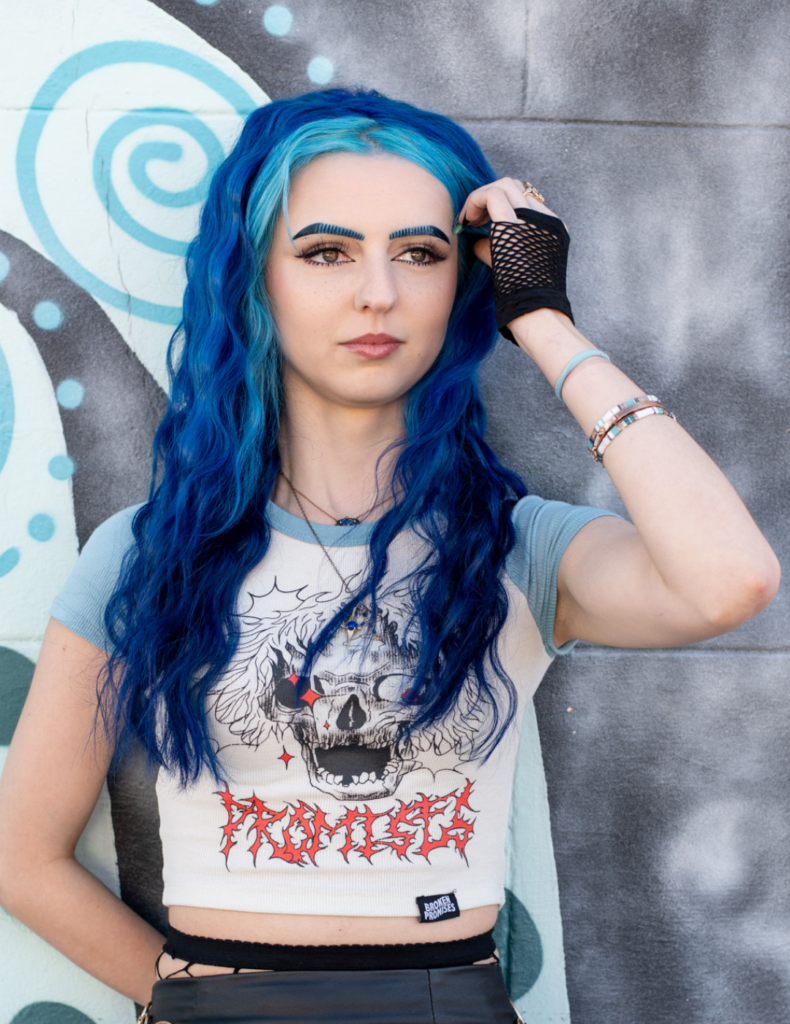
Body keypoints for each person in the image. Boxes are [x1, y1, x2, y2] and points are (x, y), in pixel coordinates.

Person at [0, 89, 779, 1024]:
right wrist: (178, 997)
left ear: (463, 283)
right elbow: (20, 853)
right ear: (255, 278)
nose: (379, 293)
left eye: (421, 253)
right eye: (326, 251)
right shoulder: (147, 553)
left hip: (446, 999)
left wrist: (542, 320)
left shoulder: (514, 548)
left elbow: (731, 578)